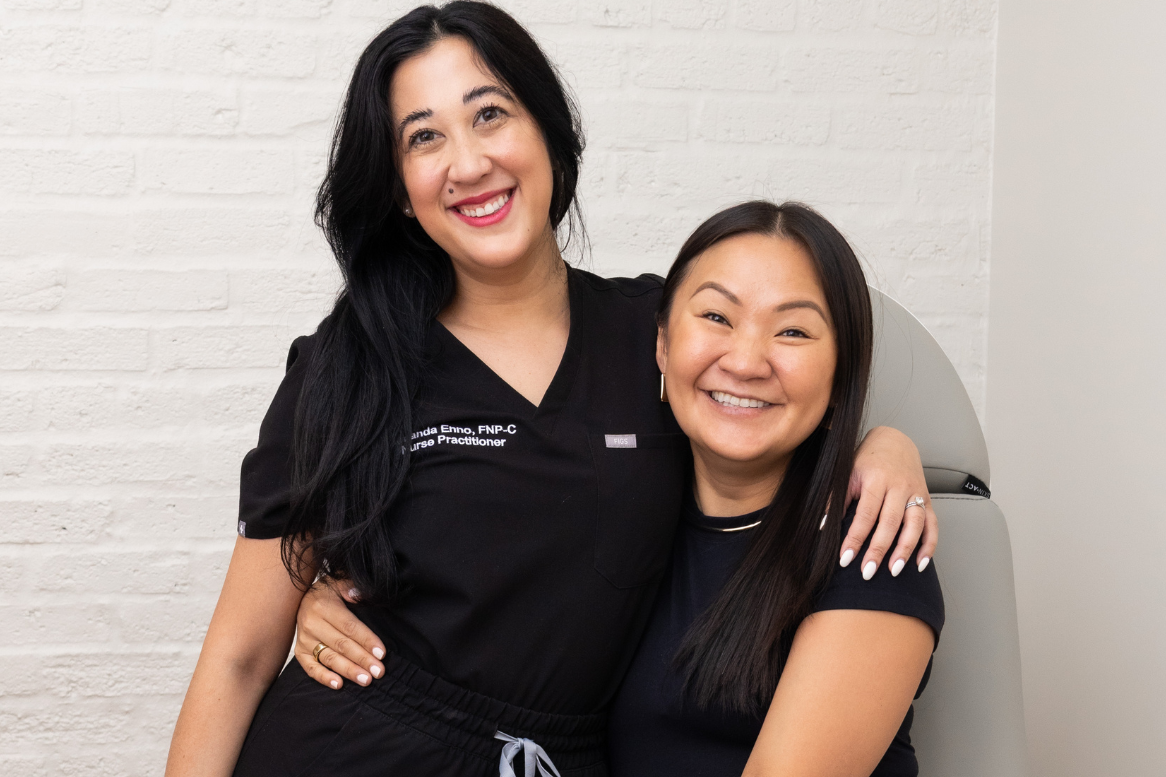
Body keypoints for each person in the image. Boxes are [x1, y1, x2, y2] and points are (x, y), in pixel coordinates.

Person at [165, 5, 937, 776]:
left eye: (490, 115)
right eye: (424, 136)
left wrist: (891, 447)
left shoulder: (656, 336)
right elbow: (238, 658)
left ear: (547, 134)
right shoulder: (347, 366)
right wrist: (311, 599)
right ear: (400, 188)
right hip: (348, 747)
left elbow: (772, 392)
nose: (467, 164)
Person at [606, 201, 942, 776]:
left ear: (841, 378)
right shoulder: (625, 517)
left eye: (792, 330)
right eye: (716, 317)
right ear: (663, 344)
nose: (745, 361)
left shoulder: (873, 544)